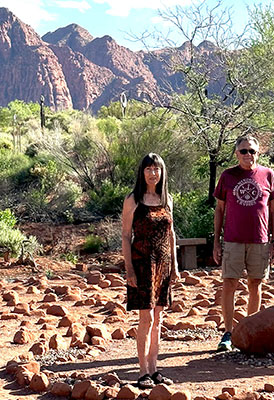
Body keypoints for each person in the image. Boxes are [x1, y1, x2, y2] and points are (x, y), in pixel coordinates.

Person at [213, 135, 274, 352]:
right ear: (236, 154)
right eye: (243, 151)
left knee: (255, 284)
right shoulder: (227, 176)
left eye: (252, 151)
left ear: (258, 153)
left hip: (260, 240)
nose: (248, 155)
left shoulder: (268, 175)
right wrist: (216, 241)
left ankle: (250, 330)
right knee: (229, 284)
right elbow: (220, 210)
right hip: (233, 240)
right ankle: (228, 333)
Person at [122, 153, 180, 389]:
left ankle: (155, 369)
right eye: (148, 169)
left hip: (164, 265)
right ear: (142, 172)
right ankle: (143, 371)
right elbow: (126, 236)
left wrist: (175, 266)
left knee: (159, 319)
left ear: (162, 172)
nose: (153, 173)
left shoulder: (167, 199)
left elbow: (171, 233)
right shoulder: (133, 200)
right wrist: (129, 269)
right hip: (142, 264)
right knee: (145, 318)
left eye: (156, 169)